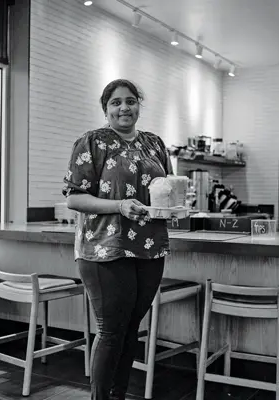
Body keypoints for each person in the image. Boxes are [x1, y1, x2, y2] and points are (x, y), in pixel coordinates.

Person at [62, 79, 172, 400]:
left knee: (130, 329)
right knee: (111, 331)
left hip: (150, 249)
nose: (124, 107)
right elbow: (74, 199)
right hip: (103, 249)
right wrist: (120, 206)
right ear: (106, 109)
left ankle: (119, 396)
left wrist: (173, 207)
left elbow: (165, 193)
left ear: (139, 105)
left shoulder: (155, 144)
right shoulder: (92, 142)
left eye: (130, 101)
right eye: (115, 102)